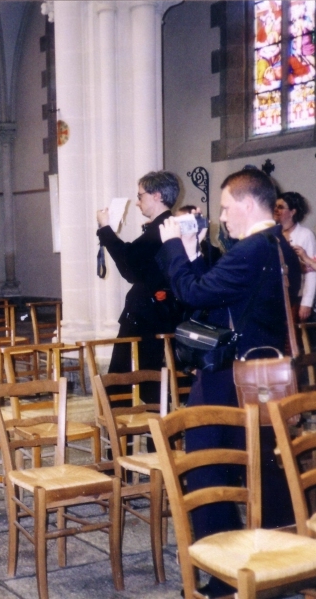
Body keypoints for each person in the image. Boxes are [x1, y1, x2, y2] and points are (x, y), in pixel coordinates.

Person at [157, 168, 300, 598]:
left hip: (229, 379)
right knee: (267, 466)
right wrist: (195, 252)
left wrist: (172, 250)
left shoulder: (252, 248)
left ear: (244, 202)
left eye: (224, 207)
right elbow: (225, 296)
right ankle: (284, 563)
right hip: (264, 377)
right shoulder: (279, 247)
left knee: (205, 467)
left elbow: (194, 295)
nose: (222, 216)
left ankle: (221, 576)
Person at [96, 171, 183, 402]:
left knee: (121, 384)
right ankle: (156, 435)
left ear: (156, 196)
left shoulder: (158, 231)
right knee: (151, 384)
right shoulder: (169, 226)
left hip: (146, 318)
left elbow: (130, 267)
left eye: (140, 195)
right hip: (164, 315)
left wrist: (105, 230)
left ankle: (121, 435)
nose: (137, 201)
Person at [274, 191, 316, 321]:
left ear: (292, 212)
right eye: (275, 206)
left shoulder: (305, 235)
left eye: (281, 207)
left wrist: (307, 302)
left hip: (297, 295)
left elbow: (311, 272)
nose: (276, 210)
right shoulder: (271, 233)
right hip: (276, 295)